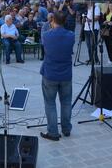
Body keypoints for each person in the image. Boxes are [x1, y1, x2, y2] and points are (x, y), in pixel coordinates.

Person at [39, 11, 75, 141]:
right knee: (66, 102)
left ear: (53, 20)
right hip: (66, 74)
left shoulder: (46, 35)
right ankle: (66, 129)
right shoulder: (71, 35)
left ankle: (53, 132)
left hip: (50, 73)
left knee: (50, 103)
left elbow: (46, 47)